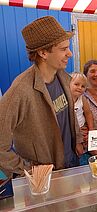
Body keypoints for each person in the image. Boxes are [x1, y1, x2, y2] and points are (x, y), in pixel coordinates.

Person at [0, 16, 82, 177]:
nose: (70, 53)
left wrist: (77, 138)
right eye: (63, 49)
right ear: (43, 52)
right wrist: (28, 171)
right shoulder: (21, 89)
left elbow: (68, 113)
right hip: (45, 179)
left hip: (71, 164)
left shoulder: (64, 77)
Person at [70, 72, 94, 155]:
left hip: (81, 128)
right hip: (70, 131)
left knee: (81, 151)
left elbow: (88, 114)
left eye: (83, 86)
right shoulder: (64, 99)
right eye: (76, 84)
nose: (80, 88)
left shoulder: (82, 99)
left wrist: (91, 130)